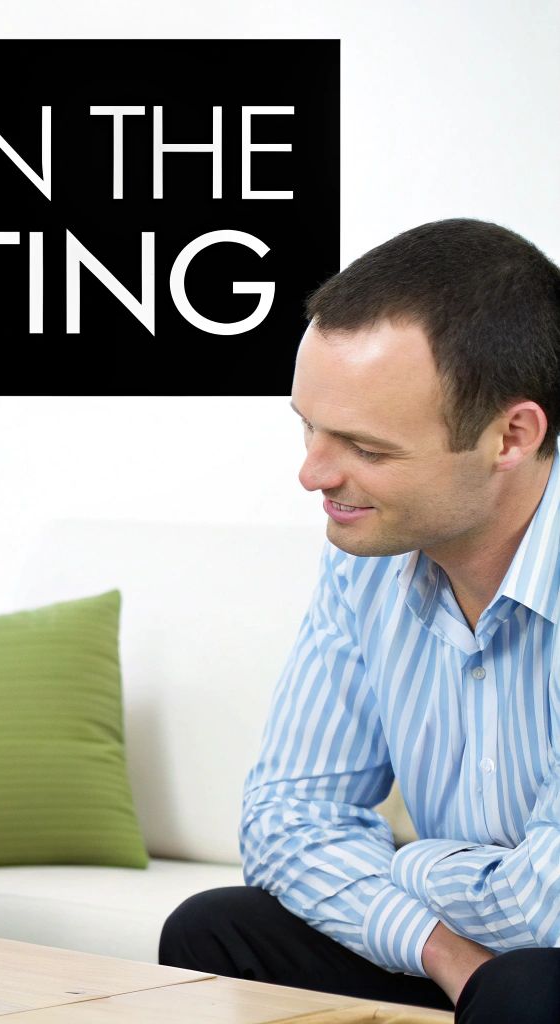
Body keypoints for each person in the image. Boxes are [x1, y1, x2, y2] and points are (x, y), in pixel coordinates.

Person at [159, 219, 560, 1023]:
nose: (313, 473)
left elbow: (544, 907)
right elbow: (284, 823)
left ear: (511, 436)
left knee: (530, 989)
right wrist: (442, 953)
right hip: (467, 954)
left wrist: (405, 866)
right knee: (215, 931)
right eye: (308, 424)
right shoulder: (364, 558)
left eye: (365, 448)